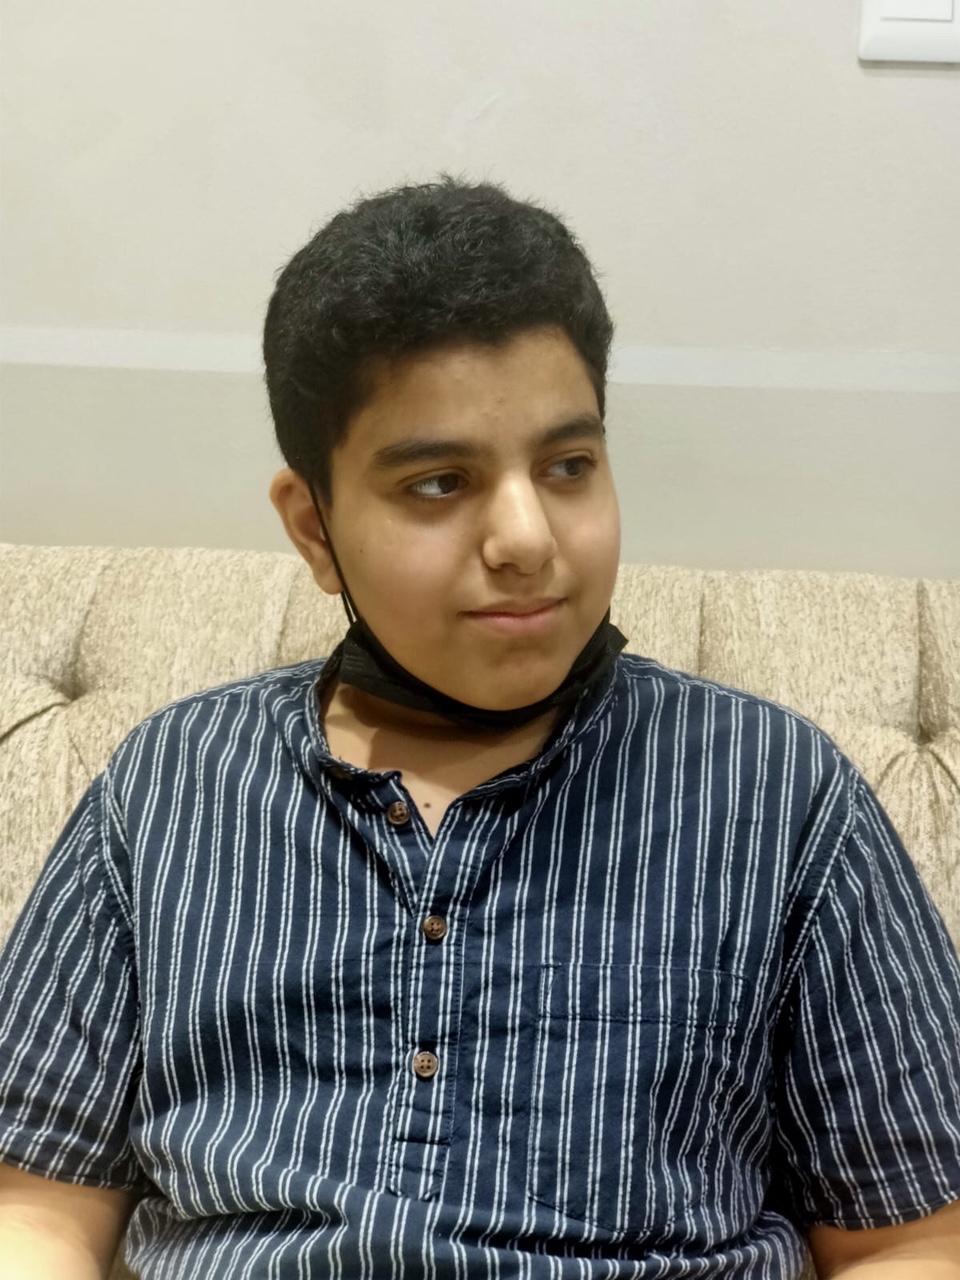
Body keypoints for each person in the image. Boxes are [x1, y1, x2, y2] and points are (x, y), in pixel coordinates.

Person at [1, 177, 959, 1280]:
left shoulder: (780, 796)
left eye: (568, 467)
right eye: (440, 482)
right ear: (314, 528)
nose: (527, 538)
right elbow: (38, 1205)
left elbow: (912, 1235)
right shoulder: (171, 787)